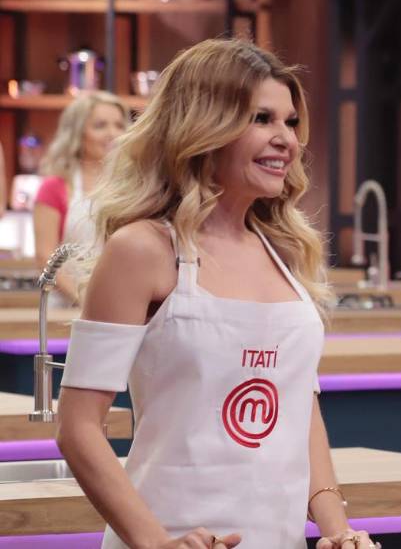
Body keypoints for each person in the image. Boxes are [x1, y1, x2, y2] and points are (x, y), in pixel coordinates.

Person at [55, 39, 376, 549]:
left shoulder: (286, 251)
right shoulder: (142, 249)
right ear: (204, 126)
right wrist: (157, 544)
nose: (286, 140)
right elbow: (77, 428)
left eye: (290, 122)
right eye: (262, 119)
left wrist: (336, 528)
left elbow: (298, 406)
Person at [33, 92, 128, 306]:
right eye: (100, 125)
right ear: (77, 133)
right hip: (68, 307)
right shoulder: (54, 187)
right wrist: (85, 301)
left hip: (122, 303)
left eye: (119, 125)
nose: (112, 133)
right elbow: (44, 256)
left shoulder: (135, 186)